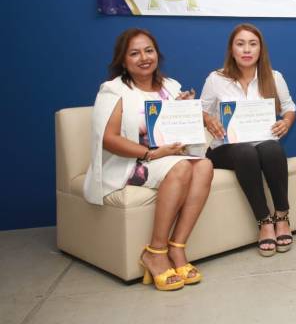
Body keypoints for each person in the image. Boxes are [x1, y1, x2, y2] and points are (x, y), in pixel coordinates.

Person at [84, 28, 214, 291]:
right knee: (180, 169)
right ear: (123, 60)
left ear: (157, 54)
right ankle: (155, 252)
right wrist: (151, 154)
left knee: (205, 165)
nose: (143, 57)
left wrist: (185, 111)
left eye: (149, 50)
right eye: (134, 53)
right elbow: (108, 139)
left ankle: (177, 248)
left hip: (168, 157)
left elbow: (177, 132)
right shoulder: (113, 90)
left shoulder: (171, 86)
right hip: (134, 162)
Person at [200, 23, 296, 257]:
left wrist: (286, 122)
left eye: (252, 44)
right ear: (231, 49)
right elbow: (200, 110)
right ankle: (264, 221)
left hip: (263, 142)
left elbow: (289, 107)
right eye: (240, 44)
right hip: (226, 148)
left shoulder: (274, 77)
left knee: (272, 149)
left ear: (260, 49)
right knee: (246, 152)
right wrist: (208, 120)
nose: (246, 50)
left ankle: (282, 217)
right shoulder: (216, 78)